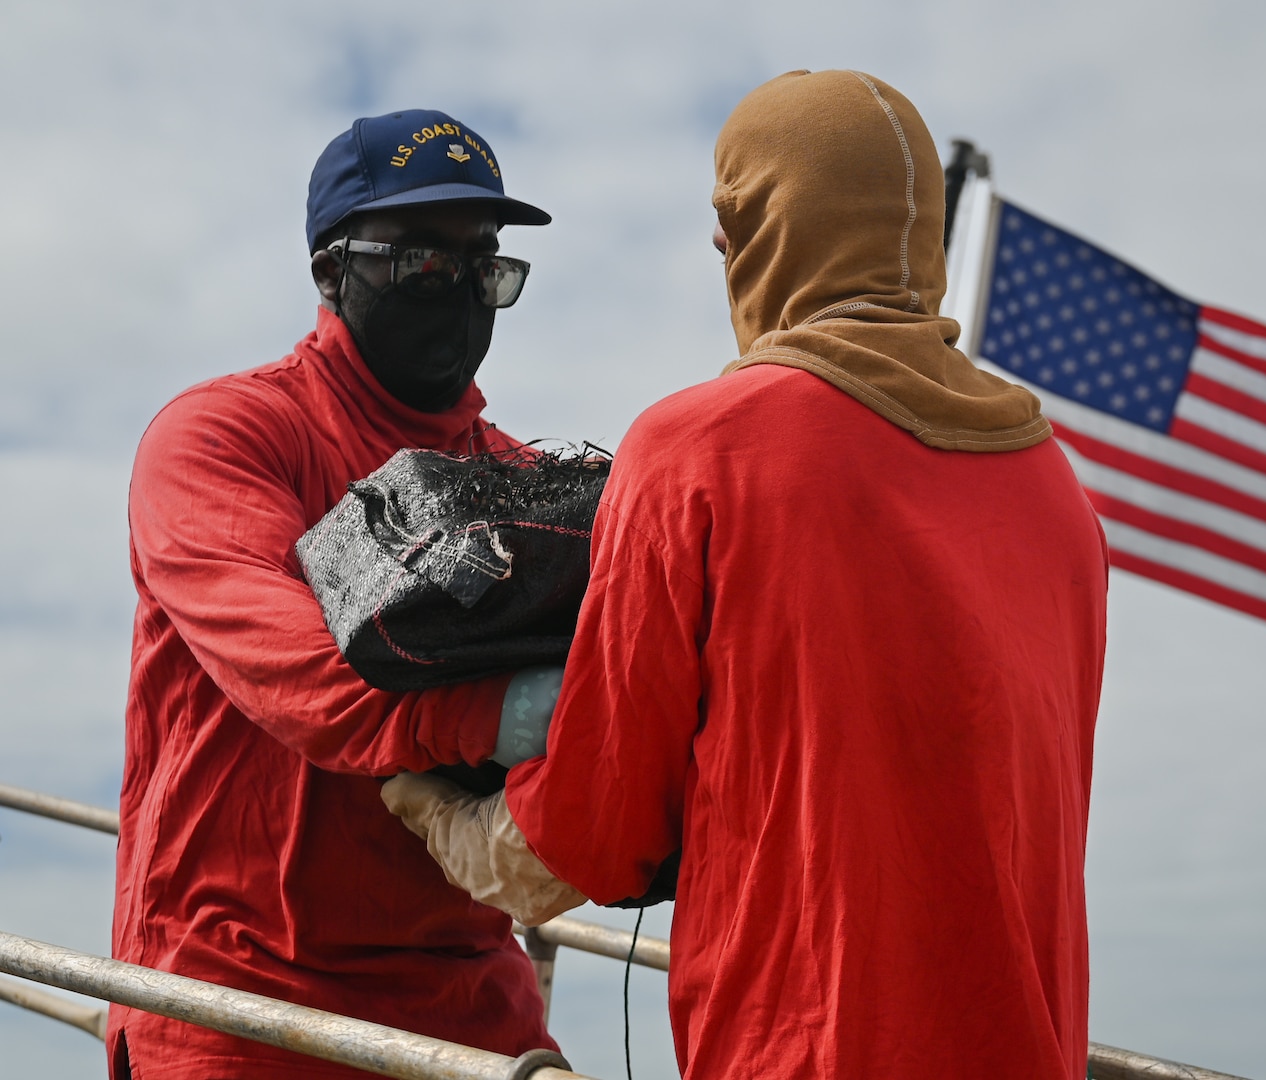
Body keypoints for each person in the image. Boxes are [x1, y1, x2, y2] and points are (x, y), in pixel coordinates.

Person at [386, 71, 1109, 1079]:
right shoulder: (1059, 493)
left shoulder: (699, 452)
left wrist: (424, 802)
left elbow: (592, 835)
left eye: (729, 234)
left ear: (756, 239)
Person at [110, 109, 567, 1079]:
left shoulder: (534, 488)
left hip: (477, 1014)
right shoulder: (223, 438)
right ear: (329, 270)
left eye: (483, 268)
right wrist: (515, 709)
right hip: (239, 1013)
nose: (457, 291)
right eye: (421, 263)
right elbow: (308, 668)